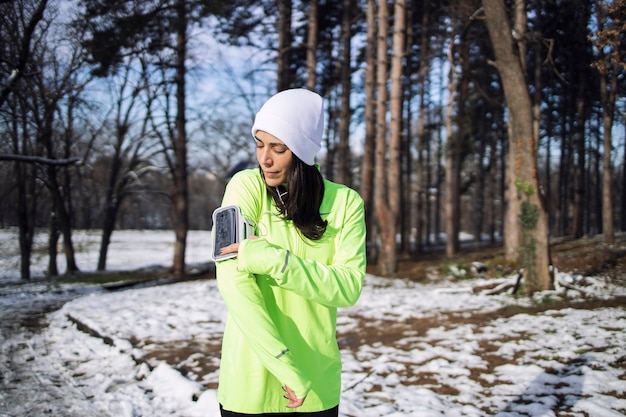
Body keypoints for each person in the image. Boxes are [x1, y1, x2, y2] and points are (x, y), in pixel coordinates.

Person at [214, 88, 367, 416]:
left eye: (278, 148)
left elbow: (347, 287)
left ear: (302, 151)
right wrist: (284, 365)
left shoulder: (345, 203)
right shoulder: (244, 187)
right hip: (249, 385)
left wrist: (269, 258)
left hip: (316, 382)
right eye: (259, 144)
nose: (264, 159)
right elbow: (233, 285)